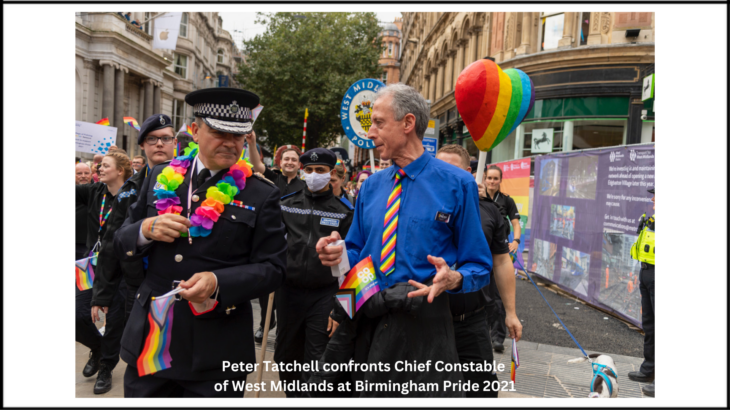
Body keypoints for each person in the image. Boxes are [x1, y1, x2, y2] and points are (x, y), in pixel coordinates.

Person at [316, 83, 492, 396]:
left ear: (407, 123)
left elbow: (479, 264)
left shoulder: (458, 184)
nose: (370, 132)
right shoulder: (370, 187)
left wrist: (454, 278)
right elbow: (358, 251)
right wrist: (337, 255)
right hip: (369, 319)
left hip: (423, 327)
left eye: (379, 123)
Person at [114, 87, 286, 397]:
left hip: (216, 349)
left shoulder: (261, 194)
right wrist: (145, 229)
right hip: (152, 340)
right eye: (219, 132)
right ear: (195, 130)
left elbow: (274, 268)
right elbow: (122, 238)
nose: (230, 142)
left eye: (238, 135)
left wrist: (218, 281)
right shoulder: (160, 176)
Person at [436, 144, 523, 397]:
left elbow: (502, 262)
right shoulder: (415, 206)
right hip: (425, 319)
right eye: (439, 168)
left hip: (470, 320)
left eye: (453, 170)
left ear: (468, 173)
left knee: (482, 391)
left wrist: (511, 313)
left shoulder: (489, 211)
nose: (445, 175)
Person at [273, 148, 354, 397]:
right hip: (288, 293)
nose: (313, 175)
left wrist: (344, 309)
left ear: (331, 173)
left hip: (324, 296)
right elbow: (270, 246)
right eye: (308, 170)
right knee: (286, 357)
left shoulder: (344, 211)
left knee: (317, 361)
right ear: (301, 171)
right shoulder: (285, 205)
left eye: (320, 171)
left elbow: (357, 265)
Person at [91, 114, 178, 325]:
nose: (159, 143)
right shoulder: (130, 187)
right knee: (136, 351)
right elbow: (113, 238)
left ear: (175, 143)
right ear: (142, 145)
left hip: (178, 283)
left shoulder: (193, 180)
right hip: (137, 283)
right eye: (152, 139)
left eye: (166, 138)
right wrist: (102, 294)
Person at [76, 151, 133, 394]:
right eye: (98, 166)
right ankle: (98, 349)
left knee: (112, 320)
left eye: (104, 166)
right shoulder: (93, 191)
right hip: (90, 265)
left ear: (120, 171)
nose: (98, 169)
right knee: (77, 313)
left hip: (119, 269)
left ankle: (107, 366)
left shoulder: (132, 196)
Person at [247, 139, 306, 342]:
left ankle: (283, 327)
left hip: (292, 246)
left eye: (294, 160)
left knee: (284, 291)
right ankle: (265, 322)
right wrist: (252, 142)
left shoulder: (305, 187)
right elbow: (256, 165)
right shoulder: (273, 178)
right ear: (280, 162)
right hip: (270, 241)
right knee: (265, 285)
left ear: (299, 165)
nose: (289, 162)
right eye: (286, 159)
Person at [478, 165, 522, 352]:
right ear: (485, 179)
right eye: (489, 178)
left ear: (500, 180)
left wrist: (516, 241)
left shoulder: (507, 201)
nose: (492, 182)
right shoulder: (477, 198)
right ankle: (482, 332)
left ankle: (497, 337)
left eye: (496, 178)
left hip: (500, 251)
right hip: (481, 253)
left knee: (497, 297)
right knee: (482, 295)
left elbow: (515, 223)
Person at [628, 188, 655, 397]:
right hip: (647, 273)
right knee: (650, 325)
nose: (653, 199)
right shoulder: (652, 219)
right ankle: (649, 370)